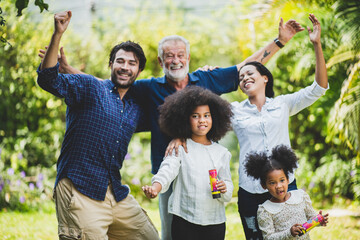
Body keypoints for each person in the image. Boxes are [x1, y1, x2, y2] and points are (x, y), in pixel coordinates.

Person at [42, 18, 304, 240]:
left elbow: (247, 68)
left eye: (180, 55)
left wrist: (279, 41)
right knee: (170, 233)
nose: (175, 60)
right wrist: (70, 70)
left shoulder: (206, 79)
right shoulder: (149, 88)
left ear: (188, 57)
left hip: (205, 173)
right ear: (160, 60)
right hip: (168, 174)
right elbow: (110, 86)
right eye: (169, 56)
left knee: (208, 224)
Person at [37, 11, 159, 239]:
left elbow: (166, 122)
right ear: (111, 64)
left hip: (115, 193)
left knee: (149, 236)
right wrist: (58, 34)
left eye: (132, 64)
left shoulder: (134, 107)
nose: (125, 67)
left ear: (139, 71)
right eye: (120, 61)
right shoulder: (89, 87)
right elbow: (48, 79)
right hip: (79, 187)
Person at [230, 14, 328, 239]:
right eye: (241, 76)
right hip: (251, 190)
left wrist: (317, 44)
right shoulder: (234, 111)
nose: (244, 77)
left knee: (296, 235)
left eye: (250, 73)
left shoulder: (282, 104)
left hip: (286, 187)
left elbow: (319, 87)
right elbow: (201, 120)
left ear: (265, 78)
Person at [142, 86, 234, 240]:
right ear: (185, 119)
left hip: (215, 221)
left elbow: (228, 186)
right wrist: (155, 188)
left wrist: (224, 188)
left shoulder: (221, 153)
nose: (202, 120)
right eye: (195, 116)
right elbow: (167, 170)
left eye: (207, 115)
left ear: (215, 118)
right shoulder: (180, 147)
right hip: (184, 219)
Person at [244, 145, 329, 239]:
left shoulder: (300, 196)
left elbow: (310, 218)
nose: (278, 186)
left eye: (282, 180)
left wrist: (319, 220)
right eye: (272, 183)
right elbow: (268, 237)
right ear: (264, 185)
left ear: (288, 179)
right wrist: (289, 233)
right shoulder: (265, 210)